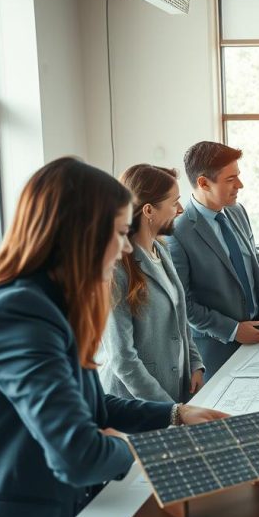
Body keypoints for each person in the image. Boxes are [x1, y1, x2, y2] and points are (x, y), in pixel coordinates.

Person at [0, 158, 226, 517]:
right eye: (118, 234)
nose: (122, 250)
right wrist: (145, 448)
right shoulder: (15, 313)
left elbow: (89, 402)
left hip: (47, 501)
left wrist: (174, 416)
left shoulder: (48, 301)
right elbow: (78, 454)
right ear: (81, 234)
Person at [165, 141, 259, 377]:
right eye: (230, 179)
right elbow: (183, 304)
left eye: (238, 176)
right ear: (203, 182)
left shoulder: (238, 212)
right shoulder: (178, 232)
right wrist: (234, 330)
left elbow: (256, 263)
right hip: (217, 353)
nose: (240, 185)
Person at [98, 164, 205, 402]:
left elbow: (179, 318)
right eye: (173, 202)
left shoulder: (161, 250)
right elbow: (122, 358)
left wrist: (195, 363)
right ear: (149, 210)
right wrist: (168, 410)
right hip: (134, 403)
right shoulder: (117, 267)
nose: (179, 209)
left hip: (174, 392)